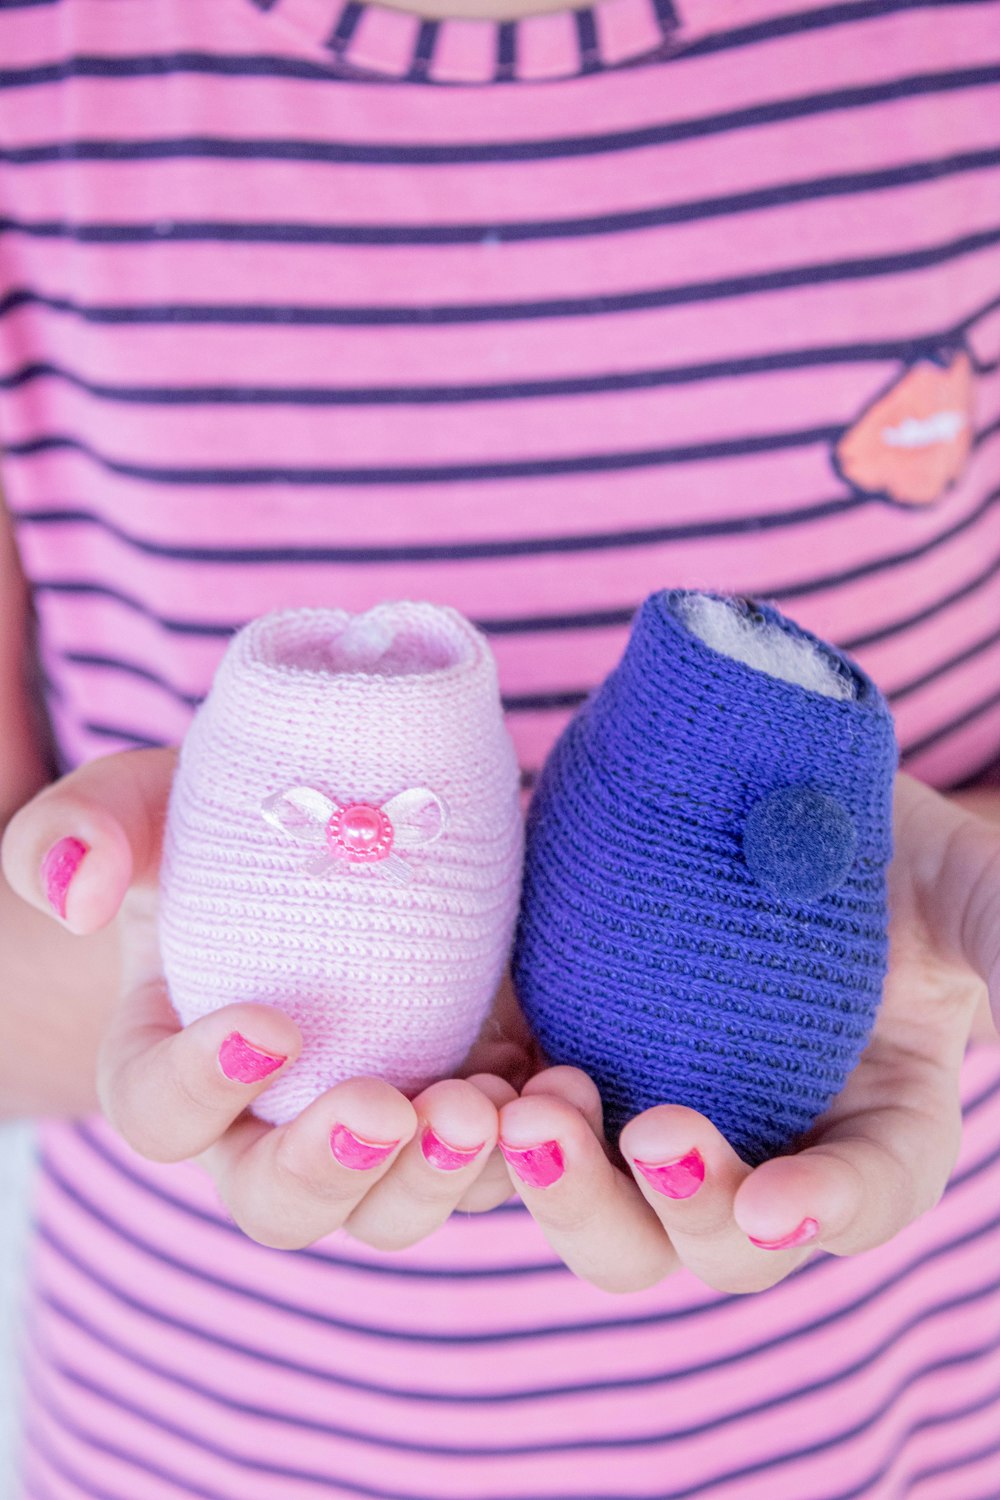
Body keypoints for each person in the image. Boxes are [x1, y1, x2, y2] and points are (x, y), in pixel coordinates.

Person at [0, 0, 999, 1493]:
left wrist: (934, 900)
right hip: (210, 1436)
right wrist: (181, 906)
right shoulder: (45, 73)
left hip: (897, 1414)